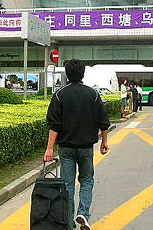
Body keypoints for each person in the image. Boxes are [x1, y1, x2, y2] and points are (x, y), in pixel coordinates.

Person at [45, 59, 110, 230]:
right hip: (86, 148)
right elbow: (104, 121)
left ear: (67, 74)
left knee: (67, 184)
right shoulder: (93, 94)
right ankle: (83, 213)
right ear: (83, 74)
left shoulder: (60, 95)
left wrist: (50, 148)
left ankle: (68, 221)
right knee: (87, 179)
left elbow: (54, 124)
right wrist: (104, 142)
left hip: (66, 148)